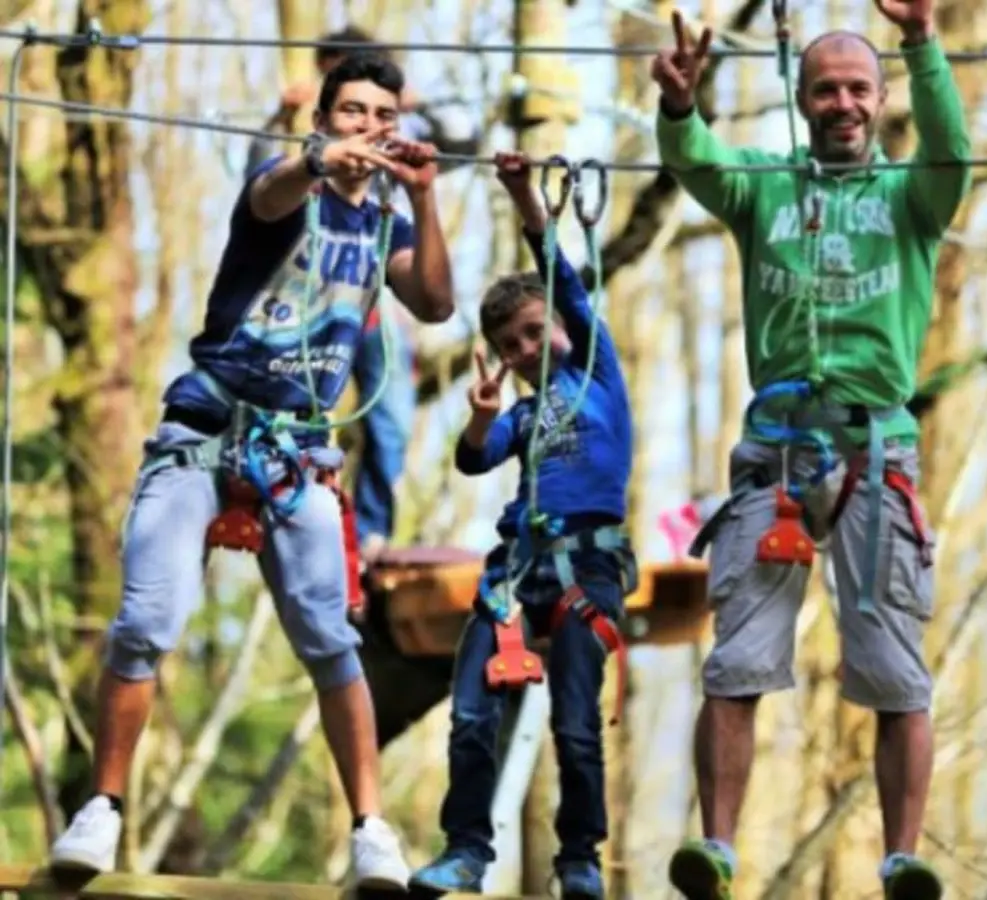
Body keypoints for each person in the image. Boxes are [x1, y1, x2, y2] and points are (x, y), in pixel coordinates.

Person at [48, 53, 455, 889]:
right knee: (146, 619)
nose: (367, 125)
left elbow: (438, 303)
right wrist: (315, 159)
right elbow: (271, 191)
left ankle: (372, 828)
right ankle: (102, 809)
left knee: (328, 634)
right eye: (351, 111)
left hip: (297, 450)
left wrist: (423, 194)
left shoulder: (385, 225)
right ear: (323, 119)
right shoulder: (282, 190)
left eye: (382, 113)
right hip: (206, 429)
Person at [651, 0, 970, 897]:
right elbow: (698, 163)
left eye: (858, 89)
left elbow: (952, 156)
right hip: (777, 453)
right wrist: (681, 111)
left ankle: (902, 857)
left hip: (876, 451)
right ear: (802, 98)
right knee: (737, 656)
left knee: (893, 664)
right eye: (825, 89)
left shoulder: (912, 196)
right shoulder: (766, 185)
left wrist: (921, 43)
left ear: (879, 99)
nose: (842, 103)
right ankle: (714, 847)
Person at [407, 151, 636, 900]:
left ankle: (579, 859)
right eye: (512, 347)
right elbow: (474, 463)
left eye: (536, 333)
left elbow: (562, 277)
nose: (526, 352)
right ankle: (467, 851)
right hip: (516, 569)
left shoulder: (596, 372)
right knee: (473, 710)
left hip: (587, 567)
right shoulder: (525, 412)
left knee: (575, 719)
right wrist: (479, 421)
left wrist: (521, 198)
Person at [245, 24, 481, 559]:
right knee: (282, 404)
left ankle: (371, 532)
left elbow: (464, 149)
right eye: (337, 83)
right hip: (299, 297)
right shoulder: (310, 142)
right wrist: (282, 119)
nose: (363, 121)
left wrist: (421, 112)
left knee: (391, 414)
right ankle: (268, 500)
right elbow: (257, 183)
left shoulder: (396, 131)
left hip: (370, 294)